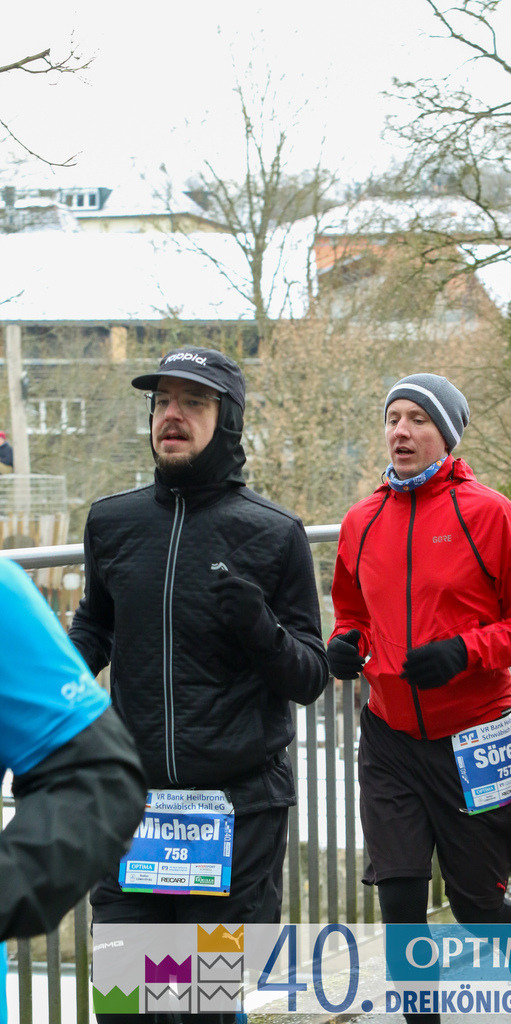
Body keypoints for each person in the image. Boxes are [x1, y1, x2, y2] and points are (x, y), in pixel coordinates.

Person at [69, 346, 329, 1024]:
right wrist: (47, 689)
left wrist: (258, 626)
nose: (172, 415)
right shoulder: (112, 522)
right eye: (161, 402)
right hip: (131, 813)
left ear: (228, 418)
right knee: (126, 1008)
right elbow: (94, 628)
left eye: (193, 402)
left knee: (202, 1011)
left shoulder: (274, 535)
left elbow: (309, 678)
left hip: (236, 814)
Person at [328, 373, 511, 1024]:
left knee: (477, 908)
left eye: (417, 419)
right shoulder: (360, 520)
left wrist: (464, 651)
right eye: (392, 418)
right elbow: (351, 612)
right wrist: (343, 643)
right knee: (399, 903)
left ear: (446, 434)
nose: (400, 431)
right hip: (389, 738)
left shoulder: (489, 512)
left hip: (475, 739)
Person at [0, 557, 146, 1024]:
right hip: (147, 831)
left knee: (208, 995)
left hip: (237, 795)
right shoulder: (111, 523)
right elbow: (92, 626)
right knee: (131, 999)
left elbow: (97, 773)